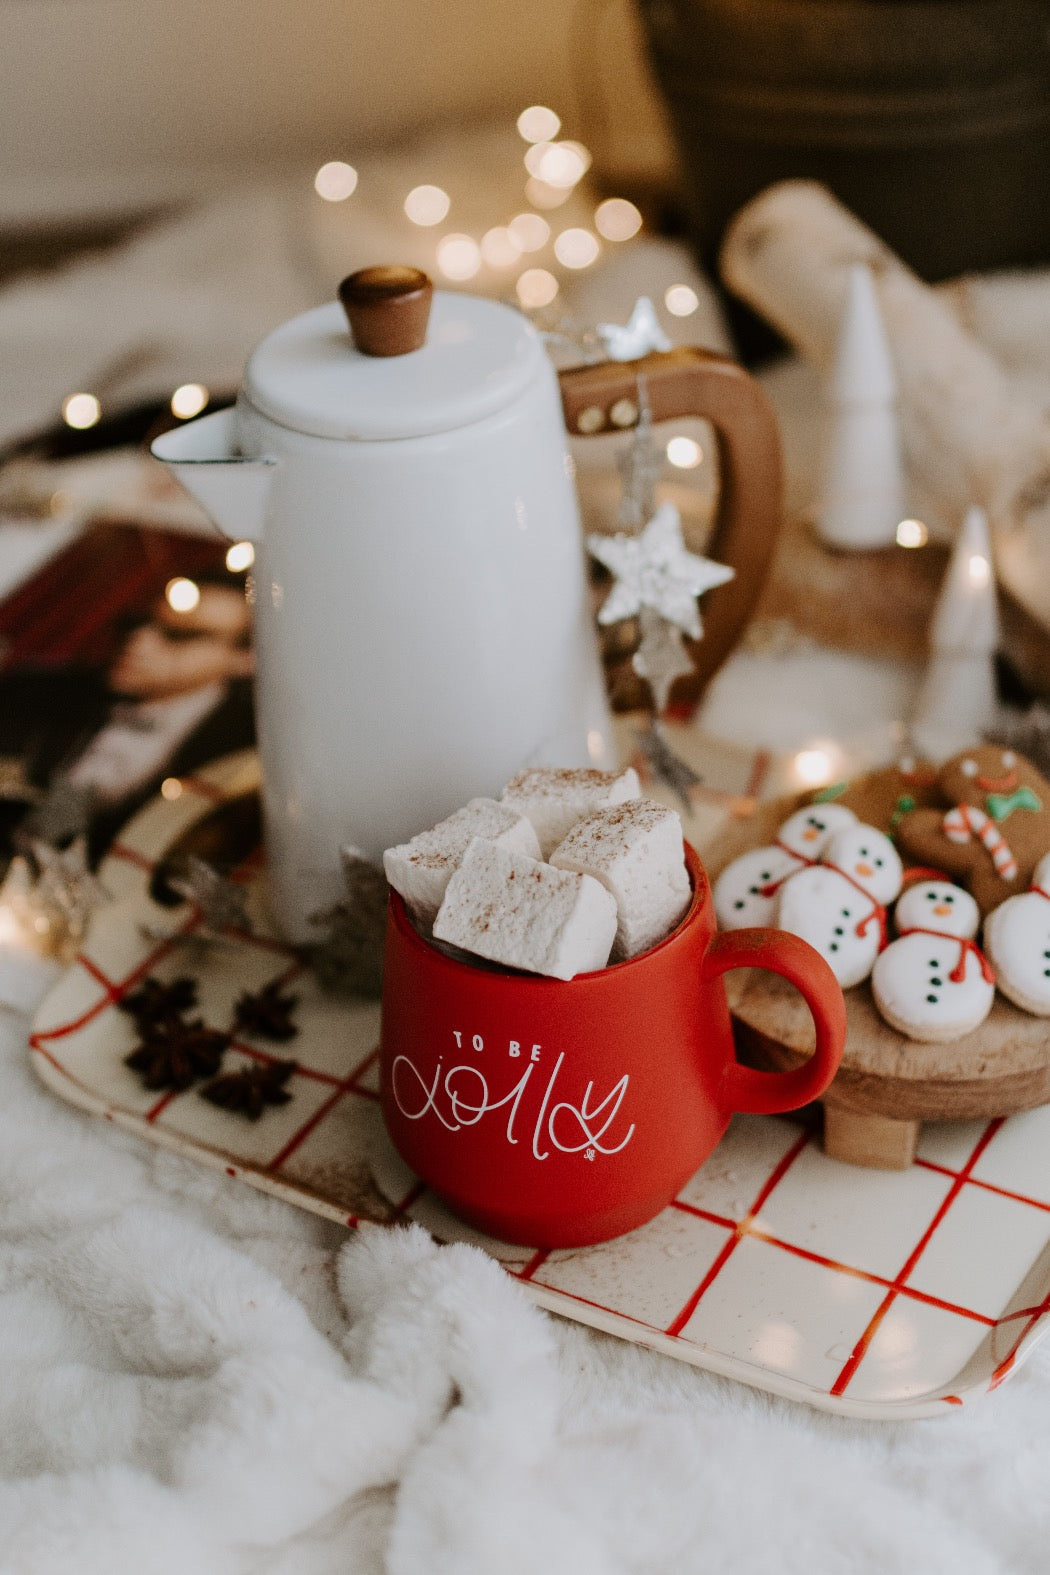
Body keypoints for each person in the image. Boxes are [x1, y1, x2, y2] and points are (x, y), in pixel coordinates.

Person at [0, 576, 255, 860]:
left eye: (179, 634)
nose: (140, 640)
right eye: (139, 622)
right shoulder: (38, 691)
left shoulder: (240, 758)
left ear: (245, 658)